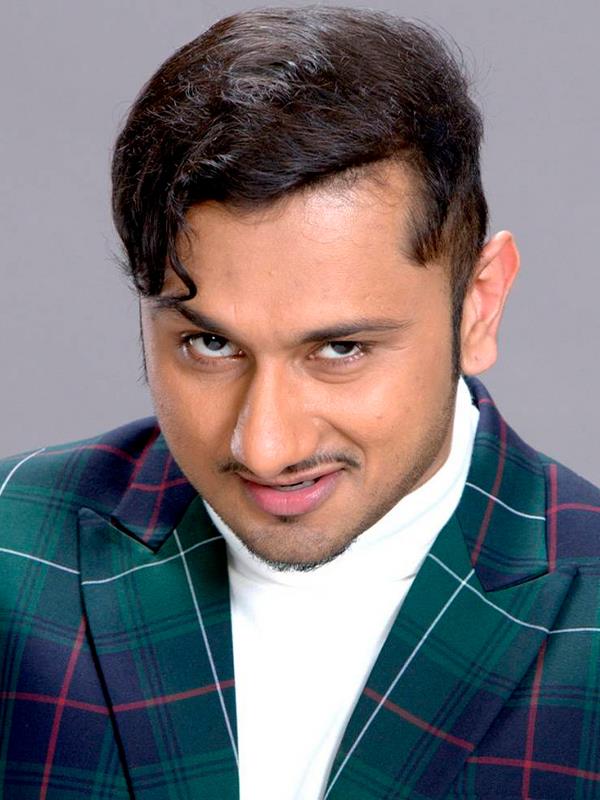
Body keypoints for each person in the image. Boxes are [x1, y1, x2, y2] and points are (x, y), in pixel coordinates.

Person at [1, 6, 599, 799]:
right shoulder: (12, 555)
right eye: (209, 344)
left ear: (478, 307)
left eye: (341, 350)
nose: (266, 445)